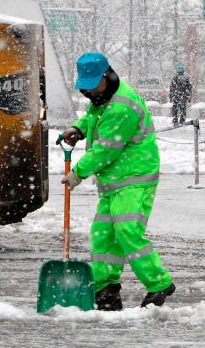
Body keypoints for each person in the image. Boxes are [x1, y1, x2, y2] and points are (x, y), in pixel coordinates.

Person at [61, 51, 174, 311]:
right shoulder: (102, 96)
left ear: (106, 76)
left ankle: (159, 283)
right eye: (85, 88)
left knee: (127, 231)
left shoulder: (122, 105)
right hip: (113, 180)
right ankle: (105, 288)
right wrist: (78, 128)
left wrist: (78, 172)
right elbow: (92, 117)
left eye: (93, 86)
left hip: (134, 178)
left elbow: (107, 149)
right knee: (103, 236)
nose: (89, 92)